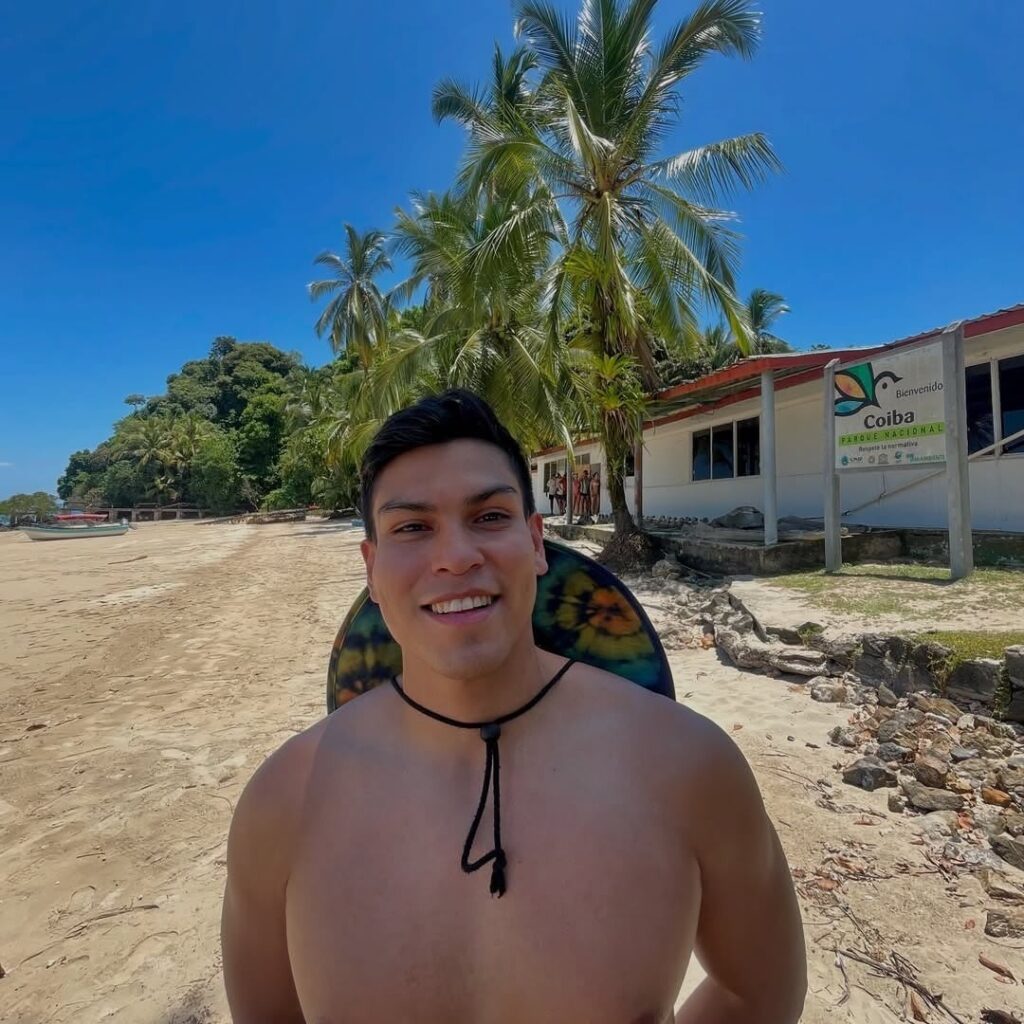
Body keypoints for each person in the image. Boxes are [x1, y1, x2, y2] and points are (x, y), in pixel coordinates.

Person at [221, 389, 806, 1023]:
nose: (455, 557)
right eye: (412, 527)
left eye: (490, 517)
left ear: (535, 542)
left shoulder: (688, 766)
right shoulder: (283, 805)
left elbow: (758, 995)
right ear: (372, 567)